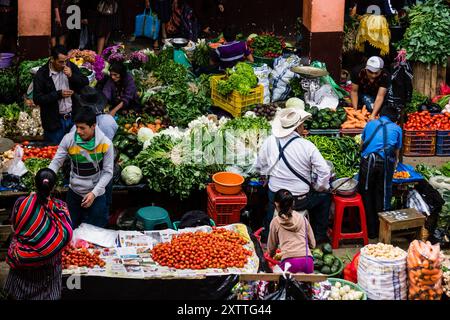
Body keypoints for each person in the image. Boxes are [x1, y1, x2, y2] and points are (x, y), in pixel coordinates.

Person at [256, 107, 332, 244]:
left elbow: (260, 165)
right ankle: (319, 235)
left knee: (270, 201)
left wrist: (267, 177)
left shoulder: (270, 141)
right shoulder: (307, 146)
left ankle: (267, 236)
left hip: (276, 196)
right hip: (300, 200)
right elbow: (325, 171)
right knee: (325, 196)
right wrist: (320, 187)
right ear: (299, 127)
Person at [3, 169, 73, 300]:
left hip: (23, 263)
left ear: (35, 184)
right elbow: (67, 234)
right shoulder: (61, 208)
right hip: (48, 270)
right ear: (54, 187)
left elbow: (15, 227)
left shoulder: (21, 203)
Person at [49, 106, 114, 229]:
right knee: (70, 228)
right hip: (74, 192)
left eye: (82, 128)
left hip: (97, 193)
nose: (78, 131)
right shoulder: (68, 139)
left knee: (96, 230)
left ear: (93, 126)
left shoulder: (106, 144)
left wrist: (94, 194)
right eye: (77, 127)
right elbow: (56, 162)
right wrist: (47, 176)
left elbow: (108, 172)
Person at [358, 105, 402, 239]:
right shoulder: (397, 129)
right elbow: (396, 153)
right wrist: (393, 167)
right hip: (385, 164)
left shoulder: (370, 124)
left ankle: (369, 231)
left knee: (366, 193)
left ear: (379, 115)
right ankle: (380, 230)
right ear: (395, 120)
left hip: (368, 163)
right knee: (382, 195)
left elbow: (361, 145)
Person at [33, 45, 89, 144]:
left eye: (65, 61)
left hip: (72, 120)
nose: (64, 64)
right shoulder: (42, 74)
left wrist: (72, 76)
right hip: (54, 122)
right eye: (60, 62)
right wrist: (58, 94)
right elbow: (37, 99)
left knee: (75, 152)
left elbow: (85, 82)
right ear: (52, 59)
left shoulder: (70, 66)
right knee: (55, 152)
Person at [267, 189, 316, 274]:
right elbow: (313, 244)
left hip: (289, 264)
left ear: (276, 204)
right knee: (306, 286)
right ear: (293, 203)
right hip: (308, 262)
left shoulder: (275, 222)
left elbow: (271, 248)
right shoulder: (303, 219)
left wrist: (271, 256)